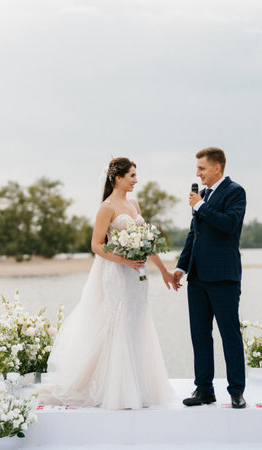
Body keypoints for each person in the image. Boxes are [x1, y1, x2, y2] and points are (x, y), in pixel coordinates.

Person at [38, 157, 175, 410]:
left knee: (136, 322)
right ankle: (117, 390)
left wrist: (165, 272)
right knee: (118, 322)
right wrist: (124, 259)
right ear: (118, 178)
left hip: (138, 276)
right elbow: (96, 245)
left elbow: (147, 241)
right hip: (117, 273)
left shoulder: (134, 203)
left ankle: (137, 386)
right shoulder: (107, 207)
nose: (136, 180)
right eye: (132, 175)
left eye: (136, 175)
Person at [174, 147, 247, 409]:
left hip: (224, 277)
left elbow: (230, 225)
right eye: (197, 168)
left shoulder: (235, 192)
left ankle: (236, 390)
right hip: (198, 277)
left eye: (202, 168)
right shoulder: (201, 196)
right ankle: (204, 389)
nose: (198, 173)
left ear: (217, 167)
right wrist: (181, 268)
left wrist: (201, 206)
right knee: (200, 334)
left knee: (230, 334)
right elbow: (194, 235)